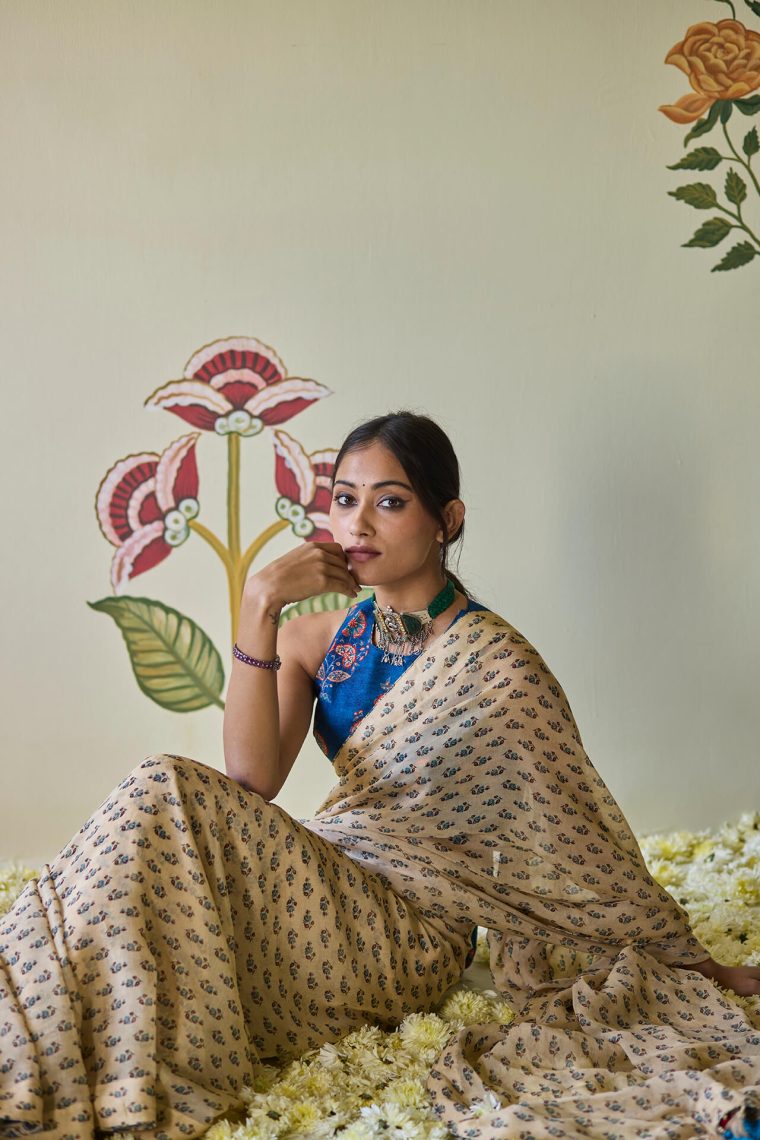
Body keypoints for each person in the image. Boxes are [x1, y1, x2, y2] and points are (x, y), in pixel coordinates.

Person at [2, 411, 760, 1140]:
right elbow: (251, 779)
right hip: (327, 880)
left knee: (162, 783)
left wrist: (690, 962)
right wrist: (258, 605)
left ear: (446, 520)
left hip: (407, 936)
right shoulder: (311, 638)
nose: (358, 524)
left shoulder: (498, 667)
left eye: (390, 502)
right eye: (344, 499)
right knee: (156, 805)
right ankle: (37, 1020)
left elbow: (578, 832)